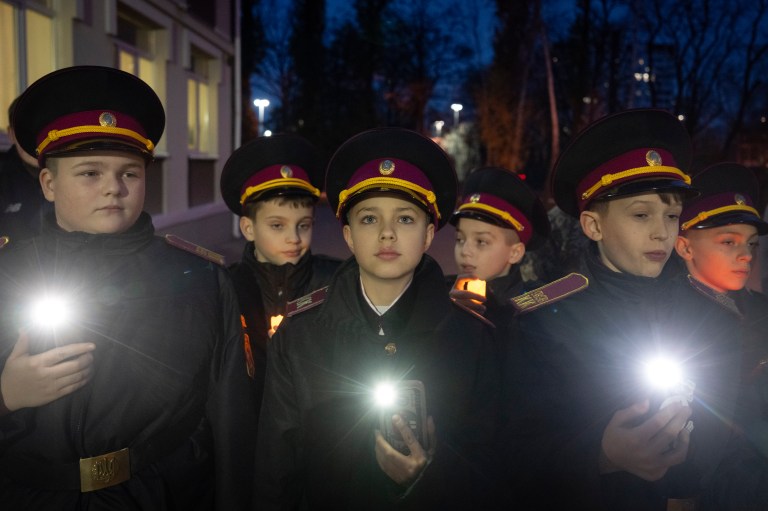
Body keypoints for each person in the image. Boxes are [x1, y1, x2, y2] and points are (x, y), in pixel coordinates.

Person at [0, 66, 255, 510]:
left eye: (130, 174)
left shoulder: (200, 279)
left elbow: (231, 420)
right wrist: (6, 396)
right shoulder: (8, 273)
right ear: (49, 184)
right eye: (90, 173)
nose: (113, 189)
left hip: (162, 494)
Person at [253, 127, 499, 510]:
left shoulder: (472, 339)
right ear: (348, 235)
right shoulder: (299, 337)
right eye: (369, 219)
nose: (387, 234)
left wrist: (427, 480)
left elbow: (493, 467)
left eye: (405, 219)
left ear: (428, 235)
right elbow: (276, 472)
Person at [502, 109, 701, 510]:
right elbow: (512, 456)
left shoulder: (699, 311)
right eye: (641, 214)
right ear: (593, 226)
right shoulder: (542, 320)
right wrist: (601, 454)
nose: (662, 232)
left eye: (672, 215)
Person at [219, 134, 341, 418]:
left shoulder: (335, 283)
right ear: (248, 228)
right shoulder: (228, 288)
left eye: (304, 225)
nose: (293, 238)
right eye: (277, 225)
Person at [672, 162, 768, 510]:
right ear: (685, 248)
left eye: (752, 243)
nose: (746, 255)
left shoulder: (761, 311)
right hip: (701, 483)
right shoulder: (662, 316)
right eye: (729, 241)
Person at [448, 165, 550, 326]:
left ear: (515, 253)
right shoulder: (437, 296)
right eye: (460, 239)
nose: (465, 251)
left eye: (481, 242)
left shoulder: (537, 308)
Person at [0, 97, 49, 241]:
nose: (34, 140)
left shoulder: (74, 173)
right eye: (24, 131)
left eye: (41, 129)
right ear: (11, 134)